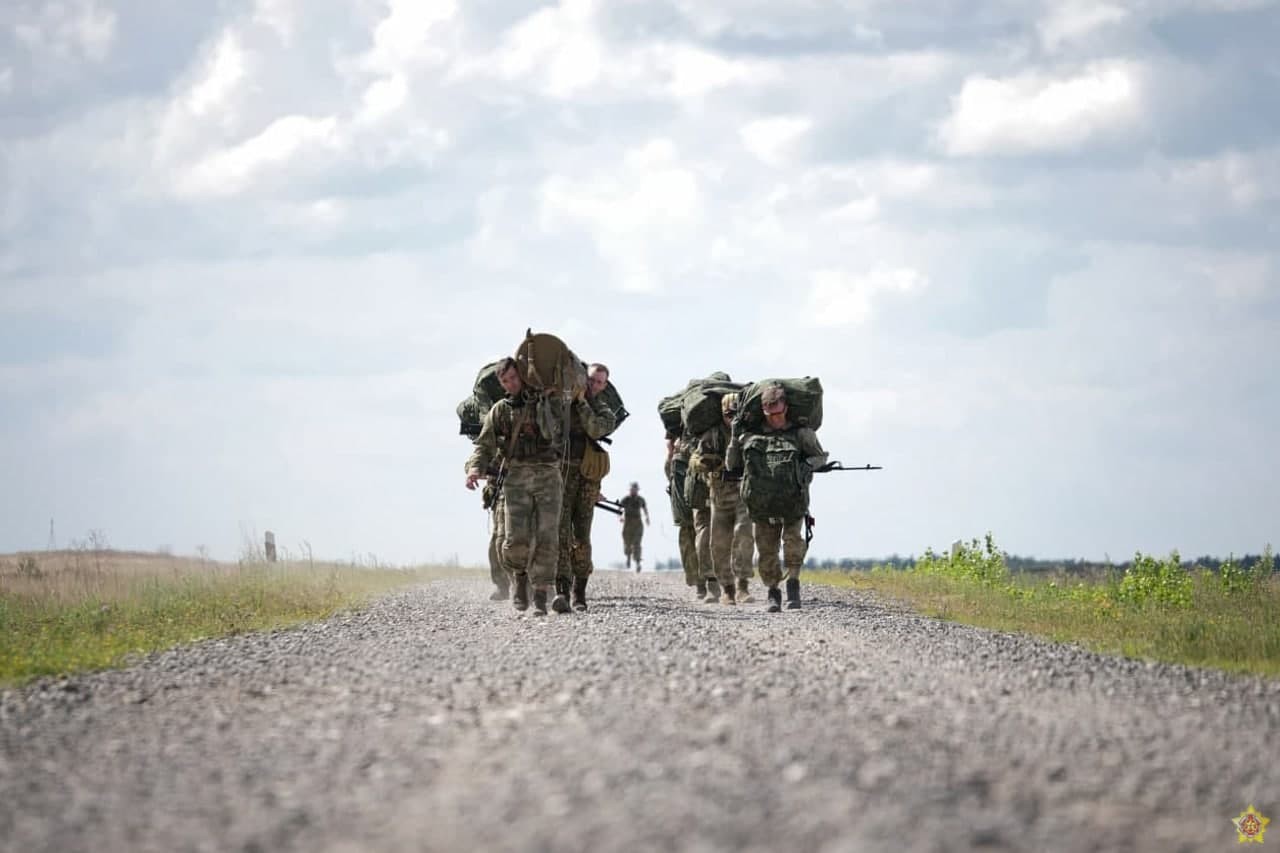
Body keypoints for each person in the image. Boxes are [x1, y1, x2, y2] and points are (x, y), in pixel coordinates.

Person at [465, 357, 568, 615]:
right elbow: (484, 444)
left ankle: (542, 596)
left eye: (513, 378)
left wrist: (549, 396)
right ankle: (520, 580)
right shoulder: (500, 410)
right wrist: (474, 468)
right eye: (505, 381)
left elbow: (561, 424)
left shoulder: (547, 402)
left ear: (522, 376)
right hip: (517, 477)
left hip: (547, 474)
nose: (510, 384)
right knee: (514, 539)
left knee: (547, 537)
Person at [727, 384, 827, 613]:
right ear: (762, 410)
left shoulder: (802, 434)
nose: (775, 417)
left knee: (793, 543)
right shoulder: (750, 436)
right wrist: (734, 438)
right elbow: (732, 465)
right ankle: (773, 592)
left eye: (778, 412)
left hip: (793, 500)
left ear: (786, 407)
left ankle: (793, 585)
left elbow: (820, 457)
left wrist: (806, 466)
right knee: (766, 550)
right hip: (761, 504)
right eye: (770, 412)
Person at [556, 363, 618, 611]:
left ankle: (579, 592)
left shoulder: (605, 411)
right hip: (562, 474)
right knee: (560, 534)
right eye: (591, 380)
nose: (594, 385)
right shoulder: (563, 404)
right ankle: (561, 590)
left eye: (600, 382)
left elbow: (595, 428)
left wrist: (581, 402)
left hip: (587, 479)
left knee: (581, 535)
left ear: (605, 387)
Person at [693, 392, 756, 605]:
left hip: (745, 494)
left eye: (736, 414)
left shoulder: (750, 433)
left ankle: (742, 587)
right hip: (719, 494)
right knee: (718, 544)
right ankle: (727, 588)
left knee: (744, 535)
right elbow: (696, 460)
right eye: (729, 414)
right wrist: (706, 463)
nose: (732, 419)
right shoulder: (712, 435)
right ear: (722, 414)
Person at [665, 429, 703, 595]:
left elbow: (669, 450)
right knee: (703, 527)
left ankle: (699, 581)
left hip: (681, 469)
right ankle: (708, 580)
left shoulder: (679, 424)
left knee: (689, 529)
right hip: (697, 470)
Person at [618, 482, 650, 571]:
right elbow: (619, 509)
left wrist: (647, 518)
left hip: (638, 523)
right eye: (632, 489)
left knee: (637, 543)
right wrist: (620, 517)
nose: (633, 491)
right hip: (627, 523)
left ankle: (638, 563)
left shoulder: (640, 499)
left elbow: (645, 509)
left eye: (635, 489)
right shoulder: (625, 499)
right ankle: (628, 557)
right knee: (627, 543)